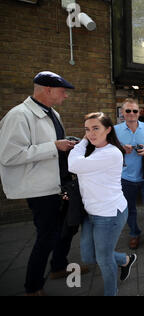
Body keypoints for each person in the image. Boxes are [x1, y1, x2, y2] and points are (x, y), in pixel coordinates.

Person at [0, 71, 84, 296]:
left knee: (68, 228)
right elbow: (8, 156)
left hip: (60, 185)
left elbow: (54, 146)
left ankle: (58, 266)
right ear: (47, 90)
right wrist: (54, 146)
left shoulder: (53, 113)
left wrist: (68, 144)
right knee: (47, 236)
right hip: (41, 190)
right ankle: (33, 286)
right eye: (62, 91)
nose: (65, 96)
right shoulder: (19, 115)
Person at [68, 112, 136, 296]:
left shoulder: (112, 153)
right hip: (90, 212)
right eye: (87, 130)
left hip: (109, 214)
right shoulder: (93, 150)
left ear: (108, 130)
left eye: (96, 128)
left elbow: (73, 165)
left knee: (104, 259)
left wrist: (82, 142)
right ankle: (125, 260)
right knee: (88, 256)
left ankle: (110, 292)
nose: (90, 134)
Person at [114, 99, 144, 250]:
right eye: (128, 111)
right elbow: (108, 150)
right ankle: (134, 233)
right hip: (126, 177)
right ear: (122, 112)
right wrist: (122, 149)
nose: (131, 114)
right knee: (129, 209)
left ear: (139, 112)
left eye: (135, 111)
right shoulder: (115, 130)